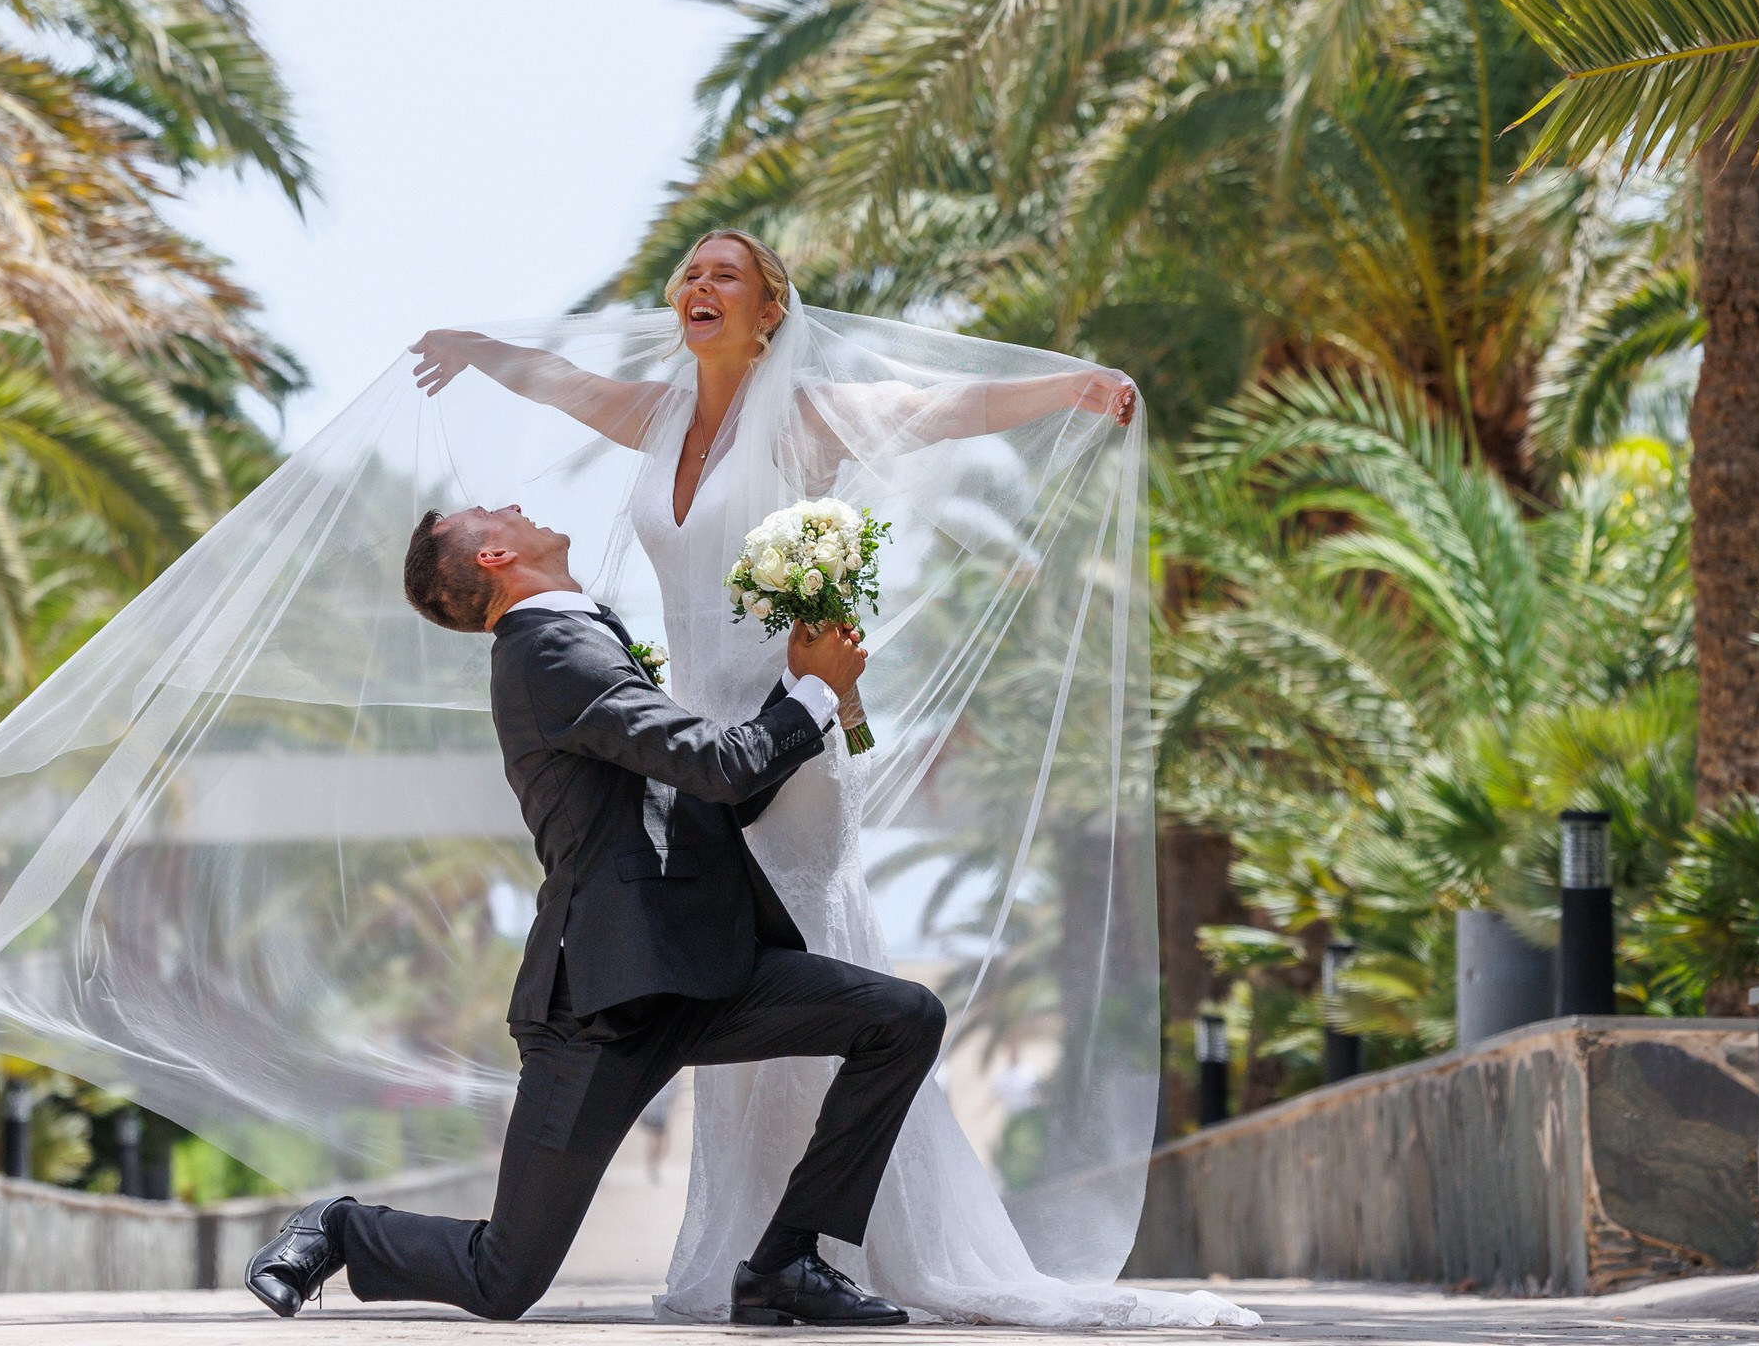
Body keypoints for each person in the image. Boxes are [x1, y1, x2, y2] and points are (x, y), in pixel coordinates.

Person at [407, 230, 1256, 1328]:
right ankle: (754, 1243)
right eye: (691, 275)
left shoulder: (805, 415)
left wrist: (1074, 386)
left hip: (786, 738)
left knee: (808, 955)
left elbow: (942, 405)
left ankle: (827, 1241)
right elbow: (561, 380)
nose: (700, 287)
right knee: (719, 962)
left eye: (727, 275)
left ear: (768, 310)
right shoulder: (655, 417)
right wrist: (478, 347)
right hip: (693, 747)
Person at [241, 501, 942, 1326]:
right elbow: (716, 768)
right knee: (506, 1278)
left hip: (703, 969)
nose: (513, 505)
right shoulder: (548, 651)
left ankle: (785, 1262)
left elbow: (701, 798)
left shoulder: (581, 638)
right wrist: (820, 692)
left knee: (900, 1018)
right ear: (496, 554)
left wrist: (798, 687)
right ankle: (342, 1227)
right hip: (604, 995)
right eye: (492, 512)